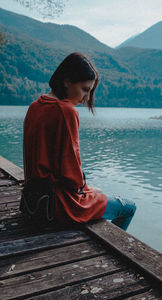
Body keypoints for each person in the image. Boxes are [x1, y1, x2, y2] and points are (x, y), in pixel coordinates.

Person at [21, 52, 136, 231]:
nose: (87, 98)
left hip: (33, 202)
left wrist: (87, 189)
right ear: (67, 82)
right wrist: (86, 190)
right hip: (59, 206)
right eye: (85, 89)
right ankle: (113, 250)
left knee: (97, 193)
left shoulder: (35, 106)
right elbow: (71, 171)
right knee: (128, 207)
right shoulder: (66, 111)